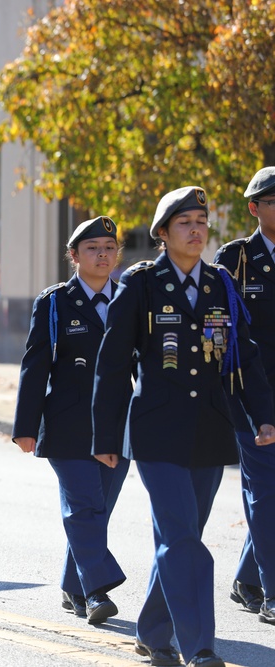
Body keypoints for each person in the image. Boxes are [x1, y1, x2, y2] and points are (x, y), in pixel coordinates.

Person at [93, 186, 275, 667]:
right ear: (162, 234)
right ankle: (199, 647)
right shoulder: (141, 284)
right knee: (184, 541)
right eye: (184, 223)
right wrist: (105, 438)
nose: (196, 230)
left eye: (201, 221)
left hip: (210, 432)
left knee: (181, 535)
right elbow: (112, 367)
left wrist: (265, 415)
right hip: (156, 433)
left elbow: (245, 357)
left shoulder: (220, 284)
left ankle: (153, 634)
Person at [12, 217, 130, 625]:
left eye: (110, 247)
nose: (103, 255)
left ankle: (73, 586)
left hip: (118, 425)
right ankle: (97, 591)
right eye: (93, 248)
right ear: (74, 256)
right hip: (67, 423)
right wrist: (25, 426)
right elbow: (35, 364)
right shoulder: (55, 302)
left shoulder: (131, 298)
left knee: (97, 512)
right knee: (84, 507)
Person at [214, 166, 275, 624]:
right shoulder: (234, 260)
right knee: (266, 493)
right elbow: (222, 335)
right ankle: (272, 591)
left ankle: (248, 579)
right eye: (273, 201)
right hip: (252, 397)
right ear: (255, 208)